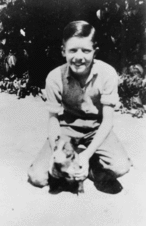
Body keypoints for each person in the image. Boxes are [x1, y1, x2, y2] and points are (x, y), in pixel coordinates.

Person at [28, 21, 132, 191]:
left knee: (121, 167)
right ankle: (77, 160)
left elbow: (107, 121)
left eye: (86, 50)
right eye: (72, 50)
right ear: (63, 51)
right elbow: (53, 120)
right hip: (67, 128)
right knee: (38, 177)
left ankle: (87, 162)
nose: (79, 57)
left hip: (97, 128)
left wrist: (86, 155)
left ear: (95, 52)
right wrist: (56, 151)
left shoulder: (108, 74)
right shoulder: (54, 77)